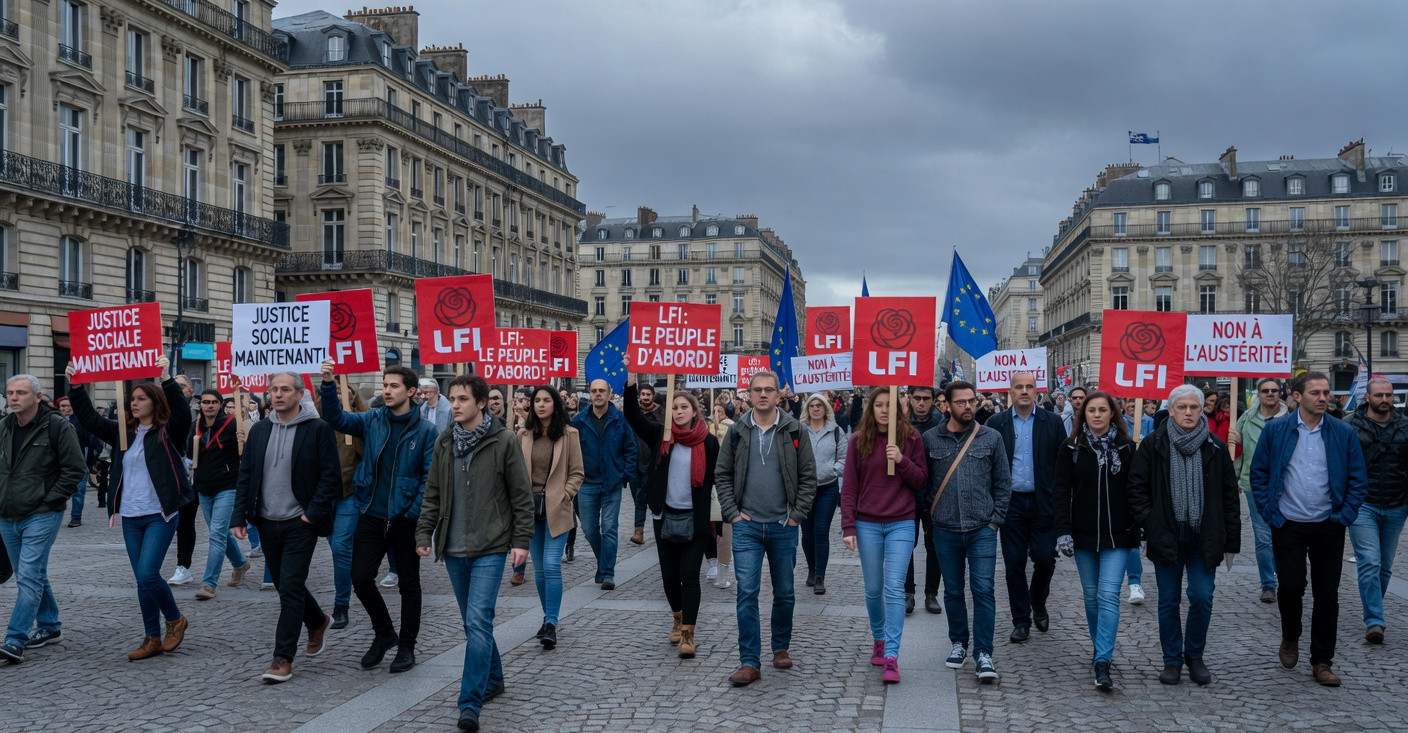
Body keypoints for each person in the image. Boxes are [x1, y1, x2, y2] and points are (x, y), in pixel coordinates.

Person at [416, 374, 532, 733]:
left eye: (463, 398)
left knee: (479, 620)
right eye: (452, 398)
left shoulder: (504, 440)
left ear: (481, 403)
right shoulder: (444, 441)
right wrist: (424, 531)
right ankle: (494, 678)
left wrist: (521, 540)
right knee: (472, 623)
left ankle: (469, 703)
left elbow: (521, 495)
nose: (455, 405)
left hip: (491, 545)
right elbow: (433, 492)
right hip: (453, 547)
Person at [67, 359, 194, 661]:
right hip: (130, 515)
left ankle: (175, 619)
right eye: (132, 399)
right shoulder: (123, 433)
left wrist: (167, 380)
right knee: (141, 579)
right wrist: (76, 388)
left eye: (141, 398)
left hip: (160, 513)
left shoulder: (168, 432)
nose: (134, 403)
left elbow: (182, 414)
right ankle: (152, 637)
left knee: (149, 574)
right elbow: (89, 420)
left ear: (155, 402)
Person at [1251, 372, 1368, 686]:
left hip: (1329, 523)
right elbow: (1258, 472)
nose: (1323, 398)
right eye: (1315, 392)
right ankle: (1291, 636)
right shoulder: (1276, 430)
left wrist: (1345, 514)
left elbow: (1358, 478)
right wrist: (1269, 512)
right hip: (1287, 522)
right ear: (1296, 396)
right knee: (1290, 587)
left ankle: (1322, 661)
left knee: (1327, 594)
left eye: (1326, 392)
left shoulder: (1343, 432)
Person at [318, 363, 437, 673]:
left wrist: (412, 513)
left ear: (411, 392)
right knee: (360, 577)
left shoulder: (426, 431)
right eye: (385, 385)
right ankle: (385, 633)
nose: (386, 390)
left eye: (394, 386)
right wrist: (329, 384)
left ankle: (407, 647)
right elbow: (336, 418)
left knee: (409, 585)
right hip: (370, 513)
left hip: (405, 519)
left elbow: (429, 479)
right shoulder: (372, 419)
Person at [230, 373, 341, 683]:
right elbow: (246, 474)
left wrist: (311, 514)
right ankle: (317, 620)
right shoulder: (259, 430)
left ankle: (282, 658)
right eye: (274, 389)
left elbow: (330, 476)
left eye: (285, 389)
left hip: (300, 522)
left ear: (299, 394)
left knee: (290, 587)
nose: (278, 395)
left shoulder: (317, 428)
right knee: (283, 583)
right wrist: (239, 516)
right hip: (267, 521)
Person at [1129, 383, 1241, 687]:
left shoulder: (1215, 446)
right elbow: (1137, 488)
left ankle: (1194, 655)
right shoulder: (1153, 444)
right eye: (1182, 407)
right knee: (1168, 600)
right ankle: (1172, 660)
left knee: (1202, 597)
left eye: (1194, 407)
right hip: (1167, 534)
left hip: (1204, 536)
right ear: (1171, 410)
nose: (1188, 412)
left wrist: (1231, 539)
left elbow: (1229, 495)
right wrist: (1151, 522)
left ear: (1202, 409)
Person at [716, 370, 817, 687]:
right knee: (747, 592)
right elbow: (722, 474)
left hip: (783, 525)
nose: (762, 394)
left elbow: (808, 476)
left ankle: (780, 646)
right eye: (757, 389)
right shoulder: (737, 431)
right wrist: (732, 513)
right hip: (746, 526)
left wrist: (797, 515)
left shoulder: (795, 429)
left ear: (777, 395)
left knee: (784, 592)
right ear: (748, 394)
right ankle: (749, 661)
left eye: (768, 390)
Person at [623, 364, 718, 659]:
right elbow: (633, 416)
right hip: (664, 517)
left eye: (683, 407)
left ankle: (688, 633)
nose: (678, 412)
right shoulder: (661, 436)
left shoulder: (709, 442)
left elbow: (719, 477)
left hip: (695, 519)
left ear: (694, 411)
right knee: (669, 577)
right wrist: (631, 379)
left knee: (690, 575)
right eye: (674, 408)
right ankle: (677, 617)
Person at [924, 381, 1009, 682]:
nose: (968, 406)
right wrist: (932, 517)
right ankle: (959, 642)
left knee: (983, 590)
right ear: (947, 405)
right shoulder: (930, 439)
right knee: (953, 590)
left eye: (971, 401)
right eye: (961, 402)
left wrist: (995, 520)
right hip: (945, 529)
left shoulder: (991, 437)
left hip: (982, 528)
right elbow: (924, 483)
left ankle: (984, 652)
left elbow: (1003, 481)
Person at [841, 387, 927, 683]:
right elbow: (849, 486)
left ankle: (891, 654)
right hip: (867, 523)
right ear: (871, 408)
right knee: (873, 589)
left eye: (889, 405)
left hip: (901, 522)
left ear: (898, 409)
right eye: (879, 405)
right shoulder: (858, 440)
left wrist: (901, 459)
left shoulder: (911, 438)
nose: (884, 410)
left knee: (894, 588)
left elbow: (920, 480)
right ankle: (878, 638)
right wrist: (848, 526)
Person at [1053, 392, 1136, 692]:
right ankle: (1099, 645)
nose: (1097, 415)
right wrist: (1062, 530)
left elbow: (1137, 489)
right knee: (1091, 597)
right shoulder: (1071, 447)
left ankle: (1102, 660)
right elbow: (1060, 491)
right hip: (1083, 534)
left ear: (1113, 413)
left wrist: (1138, 523)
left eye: (1103, 410)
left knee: (1108, 595)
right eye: (1092, 410)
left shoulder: (1127, 447)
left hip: (1119, 534)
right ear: (1083, 415)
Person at [0, 375, 86, 662]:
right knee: (31, 573)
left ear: (38, 397)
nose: (14, 397)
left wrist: (50, 500)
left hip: (42, 514)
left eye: (21, 392)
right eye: (10, 392)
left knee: (27, 575)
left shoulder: (57, 426)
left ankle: (15, 639)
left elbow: (75, 469)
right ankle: (49, 625)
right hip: (7, 514)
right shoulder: (4, 427)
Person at [984, 372, 1065, 643]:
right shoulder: (997, 423)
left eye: (1029, 386)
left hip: (1043, 502)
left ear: (1036, 391)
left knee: (1045, 558)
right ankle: (1021, 620)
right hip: (1011, 503)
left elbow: (1062, 463)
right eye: (1019, 386)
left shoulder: (1052, 422)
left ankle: (1038, 599)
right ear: (1010, 391)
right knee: (1014, 563)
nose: (1024, 391)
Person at [518, 386, 584, 649]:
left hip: (557, 507)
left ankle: (552, 623)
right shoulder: (523, 435)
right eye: (537, 400)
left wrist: (565, 495)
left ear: (555, 404)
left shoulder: (569, 434)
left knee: (551, 565)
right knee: (539, 569)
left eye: (546, 400)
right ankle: (548, 618)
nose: (541, 405)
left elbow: (577, 471)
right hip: (529, 508)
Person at [1346, 378, 1408, 645]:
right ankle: (1374, 620)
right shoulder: (1350, 425)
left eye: (1389, 395)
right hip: (1363, 504)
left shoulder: (1405, 425)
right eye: (1379, 395)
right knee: (1370, 561)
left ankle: (1374, 606)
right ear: (1367, 397)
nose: (1385, 400)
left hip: (1397, 504)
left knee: (1384, 567)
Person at [569, 379, 637, 590]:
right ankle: (603, 562)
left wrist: (624, 475)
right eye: (594, 391)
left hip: (611, 484)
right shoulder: (578, 421)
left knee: (609, 528)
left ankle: (608, 572)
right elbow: (570, 451)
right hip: (586, 484)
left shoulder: (620, 420)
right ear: (589, 394)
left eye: (601, 391)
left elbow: (630, 449)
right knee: (589, 530)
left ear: (609, 394)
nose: (597, 394)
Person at [1228, 377, 1287, 603]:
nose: (1270, 394)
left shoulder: (1291, 420)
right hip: (1255, 485)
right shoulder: (1247, 418)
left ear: (1280, 393)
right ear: (1259, 394)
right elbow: (1238, 452)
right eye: (1265, 390)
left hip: (1286, 486)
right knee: (1263, 537)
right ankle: (1268, 584)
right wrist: (1234, 479)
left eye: (1274, 390)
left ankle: (1287, 576)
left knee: (1284, 534)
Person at [188, 389, 251, 600]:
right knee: (220, 532)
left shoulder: (233, 424)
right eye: (206, 402)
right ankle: (240, 564)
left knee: (216, 533)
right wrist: (194, 443)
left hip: (227, 486)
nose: (210, 406)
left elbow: (245, 452)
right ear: (200, 405)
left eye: (214, 402)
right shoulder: (195, 426)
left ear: (220, 405)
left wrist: (243, 439)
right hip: (204, 487)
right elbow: (188, 453)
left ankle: (208, 583)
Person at [324, 382, 367, 630]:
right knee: (337, 548)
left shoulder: (358, 423)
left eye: (344, 395)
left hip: (350, 493)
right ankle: (349, 572)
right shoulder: (319, 423)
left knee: (340, 547)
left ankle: (341, 604)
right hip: (324, 496)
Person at [904, 385, 943, 614]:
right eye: (917, 398)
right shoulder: (899, 424)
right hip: (907, 494)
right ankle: (908, 593)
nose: (921, 403)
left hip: (934, 496)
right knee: (905, 545)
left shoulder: (942, 424)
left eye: (926, 399)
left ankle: (931, 594)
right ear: (909, 398)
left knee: (934, 546)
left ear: (933, 400)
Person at [801, 393, 846, 596]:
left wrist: (832, 470)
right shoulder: (800, 430)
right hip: (805, 489)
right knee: (807, 533)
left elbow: (843, 458)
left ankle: (820, 576)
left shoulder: (835, 431)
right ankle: (811, 568)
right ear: (808, 409)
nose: (816, 408)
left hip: (828, 488)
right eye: (813, 405)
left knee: (820, 531)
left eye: (820, 405)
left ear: (826, 409)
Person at [167, 374, 199, 588]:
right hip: (168, 474)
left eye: (180, 386)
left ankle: (183, 566)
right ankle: (238, 561)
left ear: (190, 390)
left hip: (194, 476)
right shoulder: (162, 412)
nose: (175, 389)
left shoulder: (201, 410)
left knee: (187, 522)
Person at [630, 382, 667, 547]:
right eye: (643, 394)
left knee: (646, 497)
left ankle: (645, 529)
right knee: (638, 498)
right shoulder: (634, 414)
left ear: (653, 396)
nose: (645, 397)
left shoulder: (661, 413)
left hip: (653, 463)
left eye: (648, 394)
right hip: (634, 462)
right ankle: (640, 529)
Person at [54, 397, 94, 528]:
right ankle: (54, 517)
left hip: (79, 460)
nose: (66, 408)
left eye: (68, 406)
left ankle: (76, 517)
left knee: (79, 490)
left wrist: (90, 460)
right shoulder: (54, 421)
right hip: (58, 462)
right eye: (62, 406)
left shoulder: (80, 421)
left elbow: (89, 440)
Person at [708, 401, 735, 588]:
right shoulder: (707, 428)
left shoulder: (732, 427)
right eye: (714, 410)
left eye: (719, 410)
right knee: (711, 527)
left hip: (725, 483)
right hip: (711, 483)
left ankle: (722, 572)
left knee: (724, 530)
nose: (716, 413)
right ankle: (713, 563)